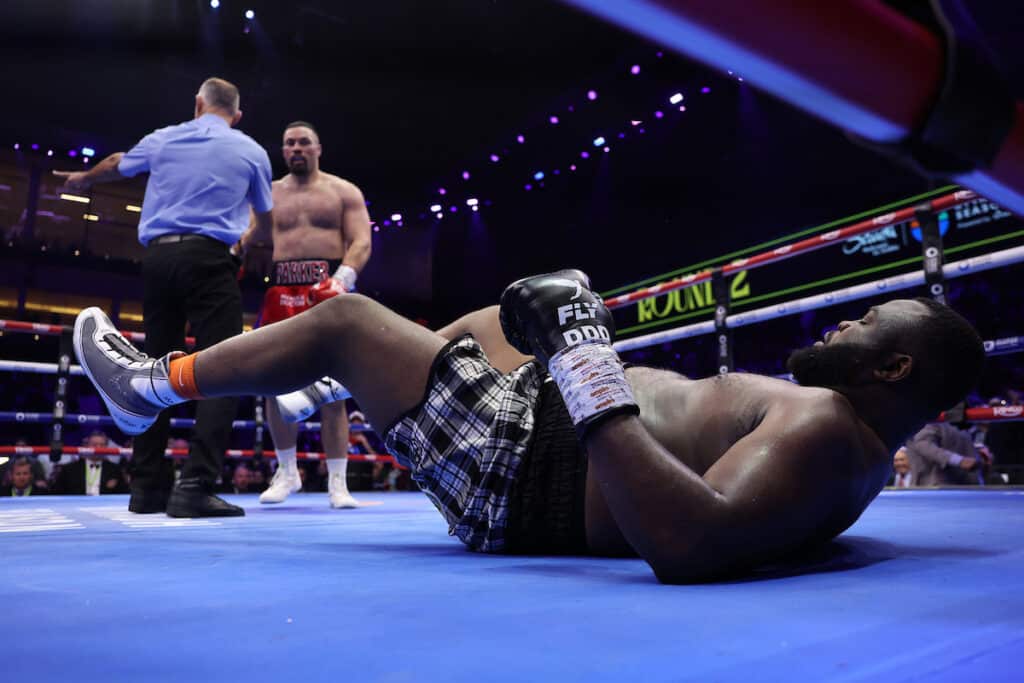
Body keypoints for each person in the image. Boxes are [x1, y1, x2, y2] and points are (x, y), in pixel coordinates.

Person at [72, 269, 984, 583]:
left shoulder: (828, 426)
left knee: (350, 321)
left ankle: (150, 387)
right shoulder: (852, 452)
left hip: (527, 467)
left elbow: (691, 541)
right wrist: (574, 360)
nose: (841, 326)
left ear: (893, 368)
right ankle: (316, 397)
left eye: (864, 328)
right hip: (537, 445)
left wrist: (587, 363)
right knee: (486, 326)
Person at [54, 77, 274, 518]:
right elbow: (266, 223)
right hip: (210, 258)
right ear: (237, 115)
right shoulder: (251, 150)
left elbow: (118, 163)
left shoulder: (165, 137)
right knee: (222, 368)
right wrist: (249, 243)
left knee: (151, 367)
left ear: (198, 104)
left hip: (158, 259)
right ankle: (194, 486)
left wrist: (83, 177)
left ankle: (147, 489)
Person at [237, 121, 371, 509]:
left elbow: (362, 239)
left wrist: (343, 277)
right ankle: (287, 471)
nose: (296, 148)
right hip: (281, 290)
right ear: (283, 150)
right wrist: (236, 250)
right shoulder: (270, 193)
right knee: (274, 384)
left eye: (303, 142)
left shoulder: (342, 191)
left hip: (328, 288)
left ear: (318, 148)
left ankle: (338, 482)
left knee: (332, 388)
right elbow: (249, 234)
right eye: (289, 143)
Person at [903, 421, 987, 486]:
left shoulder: (957, 422)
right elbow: (923, 445)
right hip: (936, 485)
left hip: (962, 484)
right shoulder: (930, 419)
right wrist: (959, 460)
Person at [55, 431, 127, 496]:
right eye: (94, 445)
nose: (98, 448)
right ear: (86, 446)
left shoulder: (114, 469)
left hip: (105, 506)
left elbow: (124, 493)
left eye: (102, 445)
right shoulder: (69, 469)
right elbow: (56, 493)